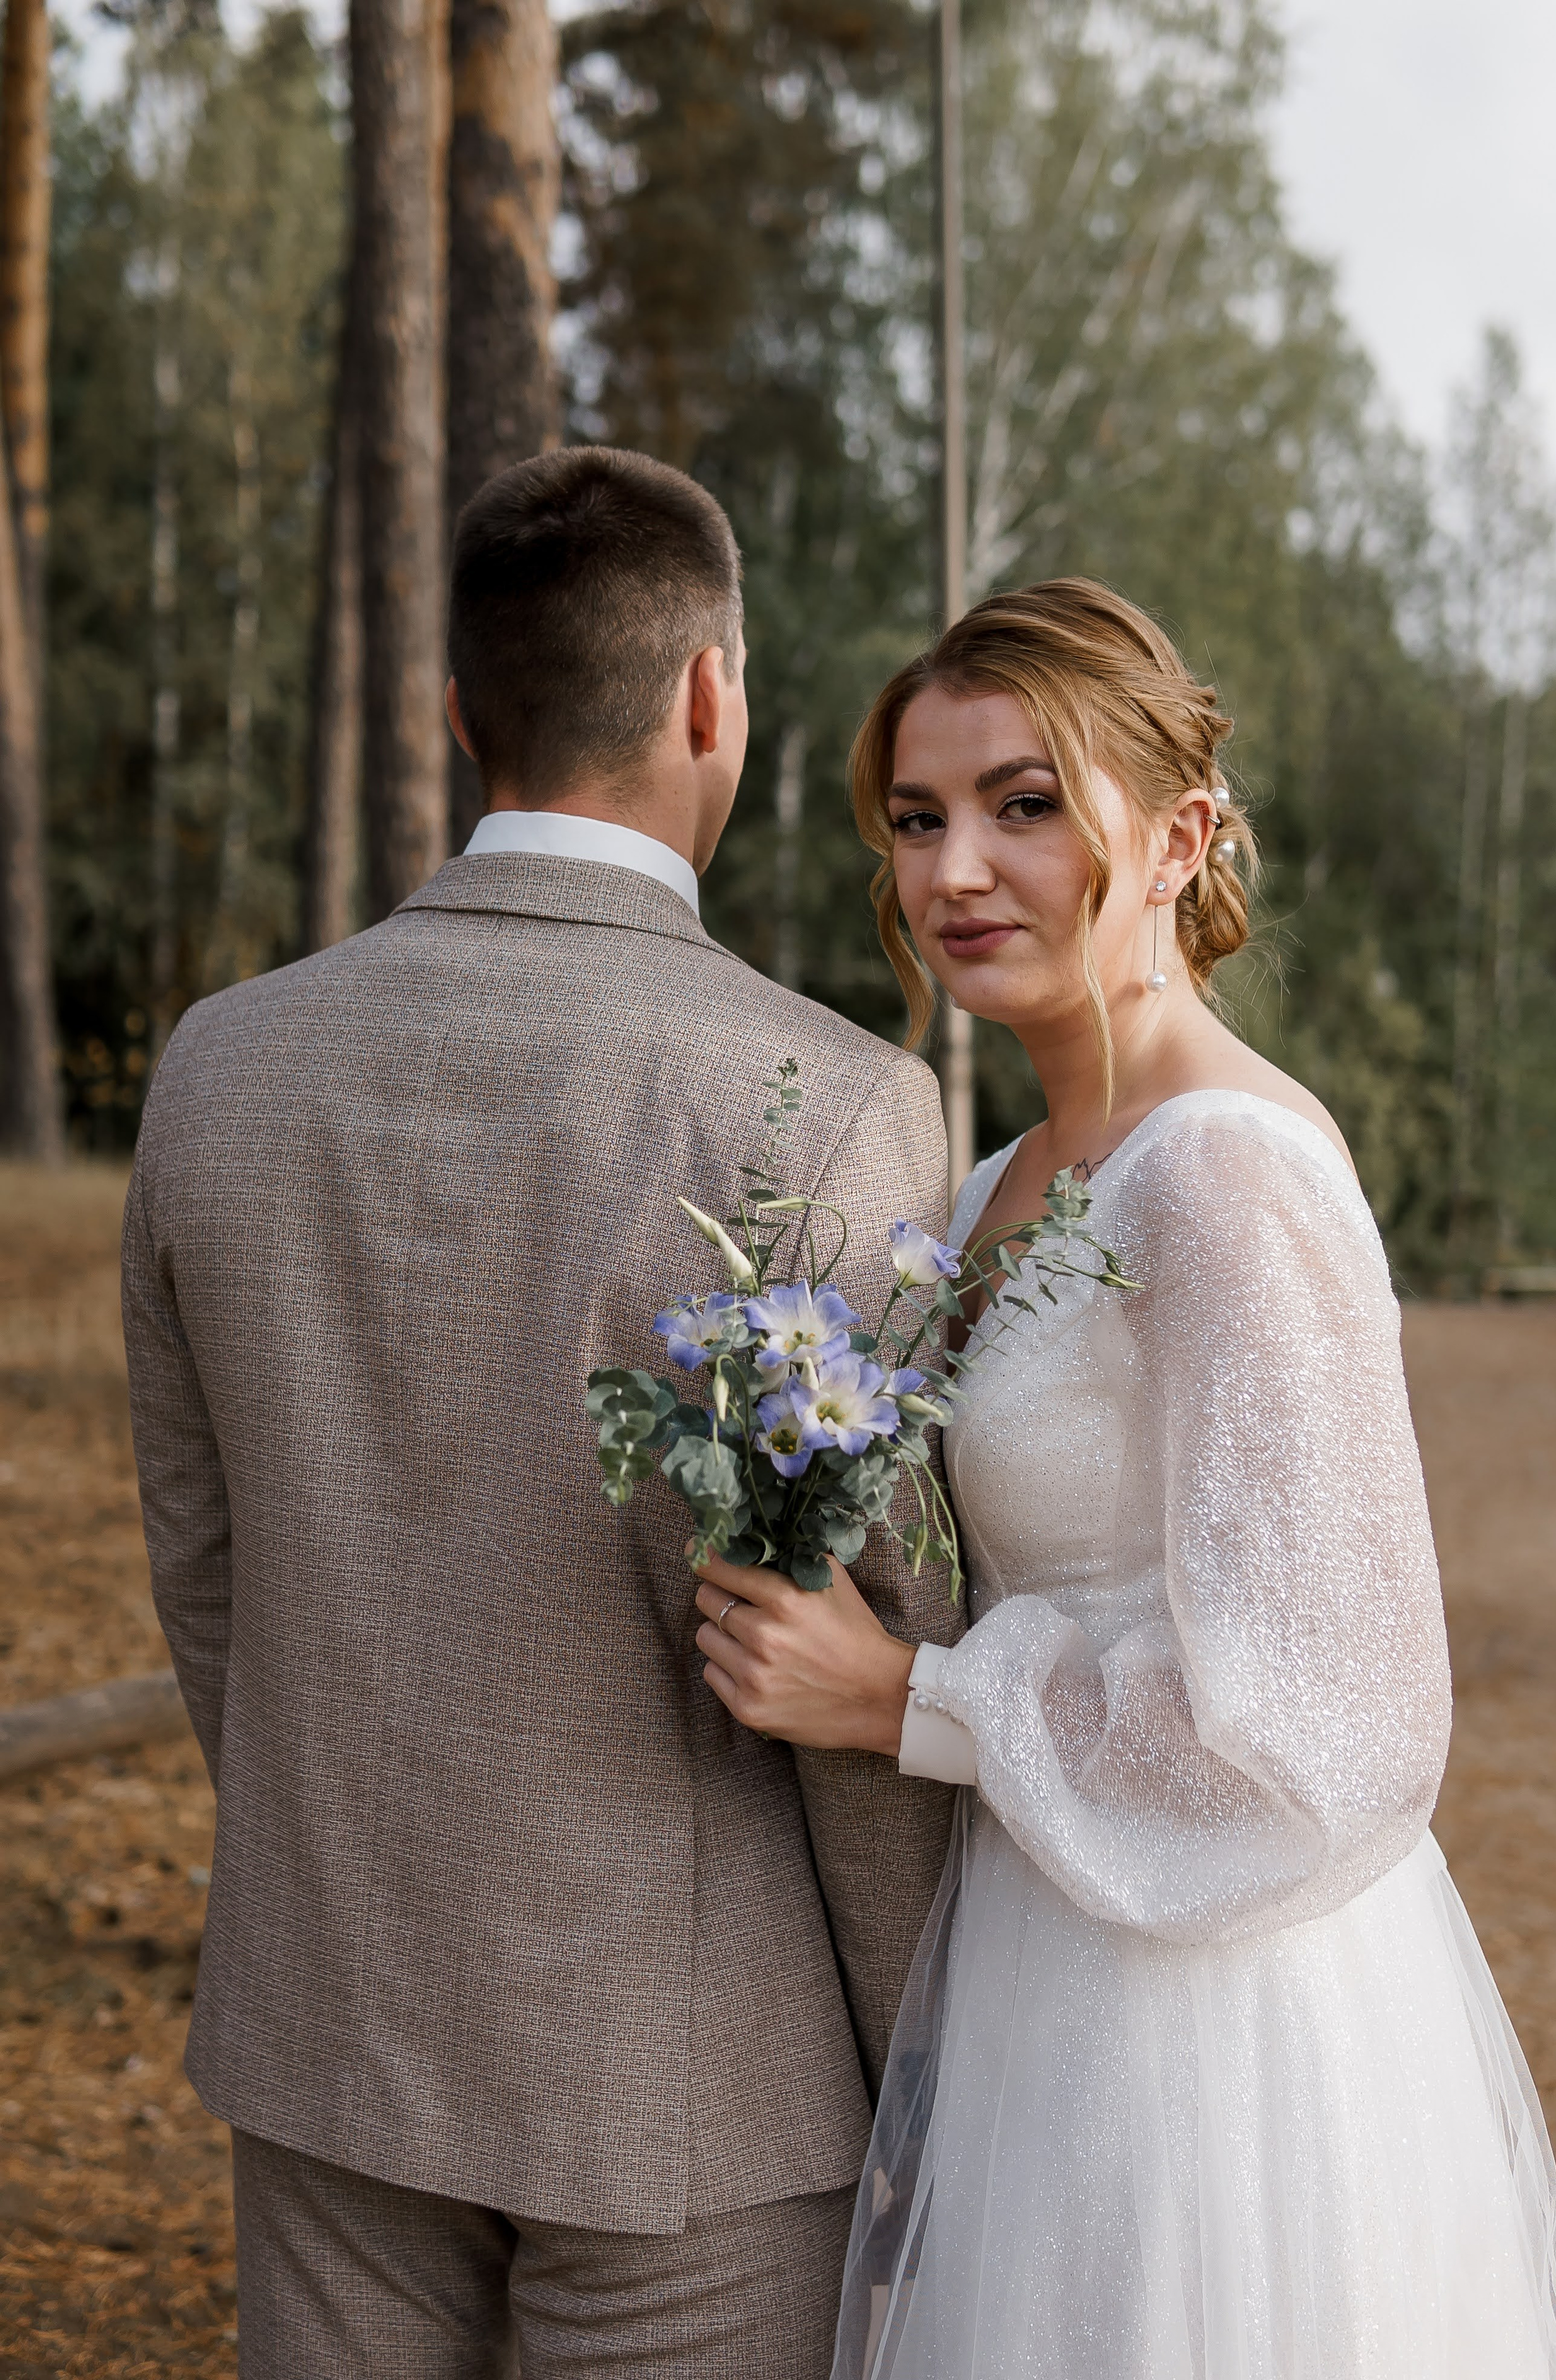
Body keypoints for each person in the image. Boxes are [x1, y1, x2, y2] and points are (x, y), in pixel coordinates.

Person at [121, 445, 962, 2378]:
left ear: (458, 712)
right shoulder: (831, 1100)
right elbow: (873, 1643)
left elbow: (203, 1559)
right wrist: (931, 2065)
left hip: (331, 2021)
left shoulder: (219, 1067)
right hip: (697, 2090)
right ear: (710, 695)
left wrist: (341, 1858)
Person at [691, 578, 1556, 2378]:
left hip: (1219, 2007)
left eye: (1026, 806)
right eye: (920, 818)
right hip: (1039, 1941)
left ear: (1177, 838)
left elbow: (1337, 1720)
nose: (955, 872)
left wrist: (912, 1703)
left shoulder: (1229, 1173)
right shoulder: (994, 1182)